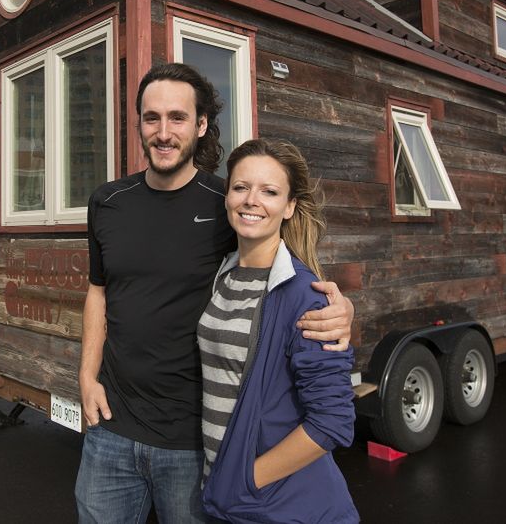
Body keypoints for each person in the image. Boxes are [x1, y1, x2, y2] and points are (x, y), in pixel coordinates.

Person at [75, 63, 355, 522]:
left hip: (194, 442)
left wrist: (341, 308)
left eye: (178, 118)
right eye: (152, 118)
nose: (164, 132)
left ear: (201, 125)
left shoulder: (228, 202)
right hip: (112, 427)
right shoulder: (107, 203)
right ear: (139, 124)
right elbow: (98, 292)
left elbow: (285, 268)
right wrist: (87, 377)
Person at [199, 138, 357, 523]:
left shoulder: (305, 296)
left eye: (269, 191)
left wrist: (244, 481)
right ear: (227, 197)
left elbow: (333, 421)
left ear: (288, 207)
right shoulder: (223, 275)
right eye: (241, 187)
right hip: (229, 498)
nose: (252, 200)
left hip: (278, 505)